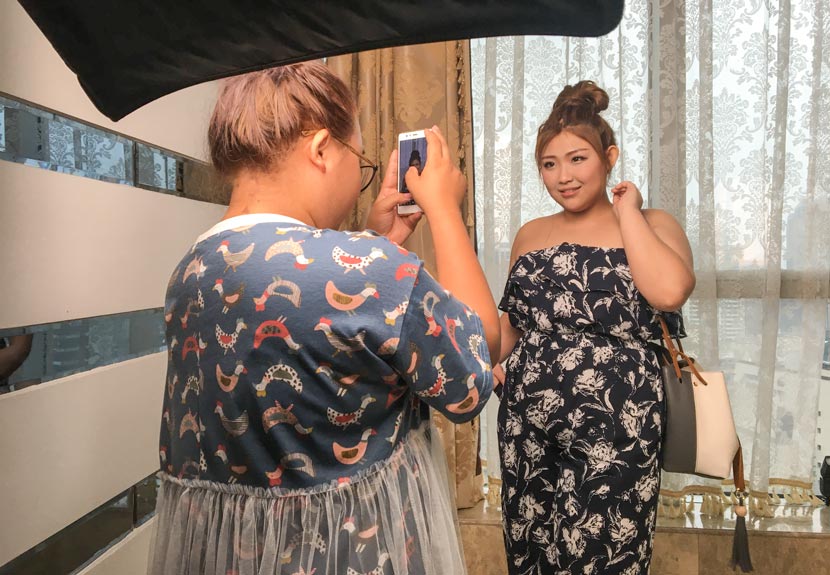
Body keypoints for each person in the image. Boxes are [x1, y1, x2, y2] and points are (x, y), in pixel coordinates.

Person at [149, 62, 500, 575]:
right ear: (320, 150)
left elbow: (310, 322)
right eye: (358, 160)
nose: (359, 180)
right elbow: (473, 365)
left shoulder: (191, 270)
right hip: (349, 553)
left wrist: (375, 245)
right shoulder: (377, 274)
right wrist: (444, 208)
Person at [494, 80, 695, 574]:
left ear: (609, 157)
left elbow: (668, 292)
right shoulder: (531, 234)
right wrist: (493, 363)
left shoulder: (652, 222)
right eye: (549, 164)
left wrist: (627, 211)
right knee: (530, 552)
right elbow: (508, 330)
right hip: (526, 423)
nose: (563, 176)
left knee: (606, 555)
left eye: (578, 159)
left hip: (618, 425)